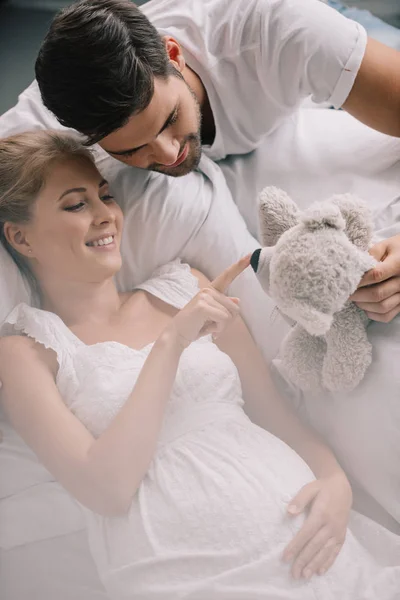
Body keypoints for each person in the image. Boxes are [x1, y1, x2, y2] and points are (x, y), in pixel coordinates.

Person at [0, 130, 399, 599]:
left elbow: (273, 411)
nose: (106, 214)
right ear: (20, 237)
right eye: (75, 205)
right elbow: (105, 489)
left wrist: (334, 480)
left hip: (307, 539)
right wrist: (172, 342)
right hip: (180, 570)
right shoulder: (25, 352)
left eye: (105, 196)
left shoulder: (186, 287)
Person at [34, 0, 400, 321]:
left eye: (169, 120)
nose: (166, 155)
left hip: (315, 38)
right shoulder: (46, 122)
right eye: (130, 150)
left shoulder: (283, 30)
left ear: (174, 55)